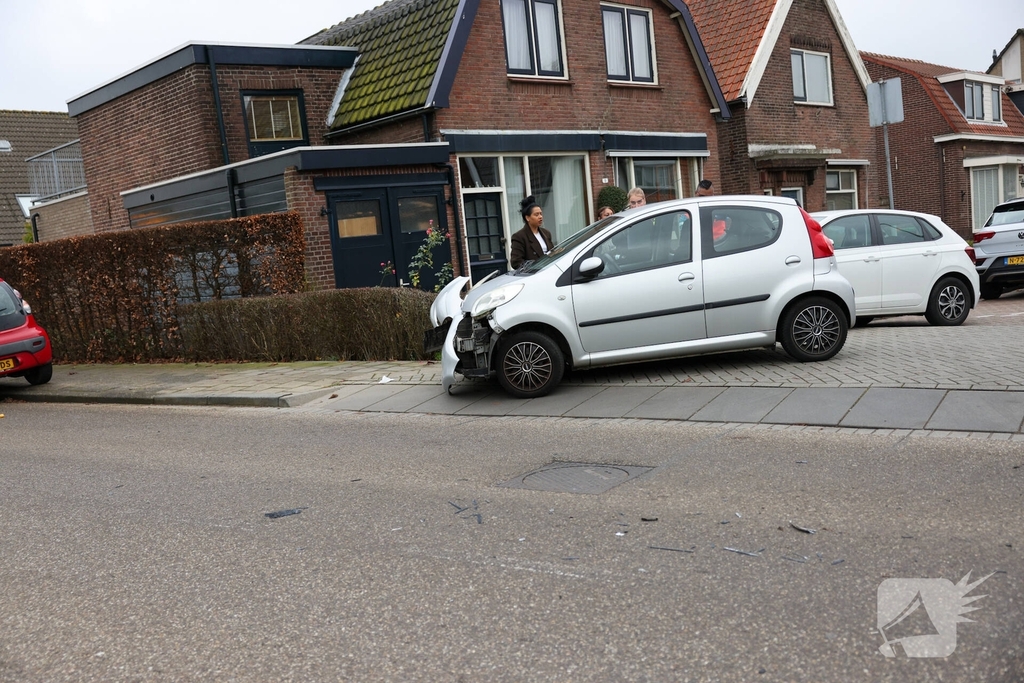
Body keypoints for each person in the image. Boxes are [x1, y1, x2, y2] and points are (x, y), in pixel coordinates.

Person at [510, 195, 554, 269]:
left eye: (541, 213)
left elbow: (552, 253)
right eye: (536, 214)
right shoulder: (519, 236)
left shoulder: (546, 233)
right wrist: (533, 268)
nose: (540, 217)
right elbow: (516, 262)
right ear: (527, 218)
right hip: (534, 275)